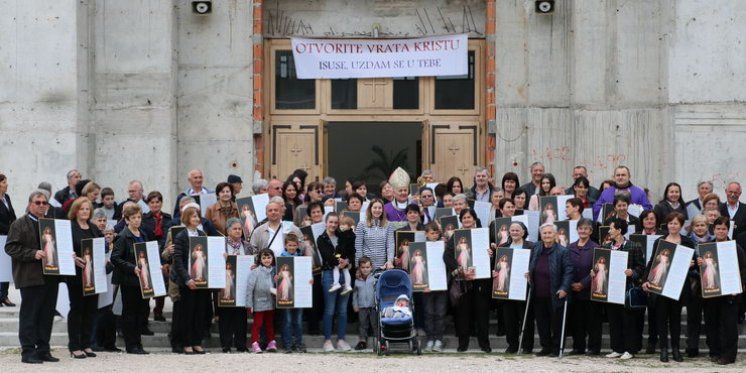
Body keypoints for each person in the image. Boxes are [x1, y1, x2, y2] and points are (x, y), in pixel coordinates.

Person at [5, 190, 60, 364]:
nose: (42, 205)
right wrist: (32, 253)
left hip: (51, 275)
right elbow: (10, 248)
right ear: (30, 204)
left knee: (46, 315)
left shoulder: (51, 224)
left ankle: (43, 349)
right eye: (38, 202)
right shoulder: (19, 224)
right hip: (30, 277)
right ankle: (28, 351)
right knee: (30, 315)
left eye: (45, 203)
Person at [642, 212, 696, 362]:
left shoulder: (687, 242)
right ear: (667, 224)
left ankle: (676, 349)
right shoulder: (660, 241)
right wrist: (645, 280)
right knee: (661, 318)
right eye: (670, 223)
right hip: (660, 284)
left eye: (676, 223)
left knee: (675, 319)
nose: (673, 226)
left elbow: (693, 265)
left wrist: (692, 265)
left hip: (678, 285)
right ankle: (664, 349)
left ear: (681, 225)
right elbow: (652, 261)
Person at [444, 208, 492, 352]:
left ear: (474, 219)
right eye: (464, 218)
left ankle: (485, 344)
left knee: (482, 314)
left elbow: (491, 255)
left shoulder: (483, 235)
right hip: (463, 281)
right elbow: (447, 256)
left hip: (481, 280)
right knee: (463, 314)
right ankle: (462, 344)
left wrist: (491, 253)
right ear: (461, 220)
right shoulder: (455, 236)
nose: (467, 220)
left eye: (469, 217)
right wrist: (458, 269)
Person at [701, 217, 746, 365]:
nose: (721, 231)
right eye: (718, 228)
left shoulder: (736, 248)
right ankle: (715, 352)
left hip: (730, 294)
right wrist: (700, 263)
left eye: (724, 229)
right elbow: (701, 270)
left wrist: (738, 288)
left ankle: (728, 355)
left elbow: (743, 270)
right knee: (712, 323)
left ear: (728, 230)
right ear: (713, 230)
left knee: (729, 325)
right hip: (712, 292)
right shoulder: (707, 247)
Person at [599, 218, 645, 360]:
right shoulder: (606, 247)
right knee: (614, 320)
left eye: (611, 228)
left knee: (628, 320)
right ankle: (617, 348)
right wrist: (596, 271)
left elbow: (641, 267)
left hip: (626, 288)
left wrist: (633, 272)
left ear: (619, 230)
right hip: (612, 289)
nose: (609, 231)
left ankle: (630, 349)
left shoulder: (633, 246)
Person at [528, 223, 573, 357]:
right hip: (538, 293)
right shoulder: (536, 248)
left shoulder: (563, 251)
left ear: (555, 234)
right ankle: (545, 347)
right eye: (544, 233)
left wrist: (564, 288)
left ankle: (556, 348)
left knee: (557, 323)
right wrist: (528, 273)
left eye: (549, 233)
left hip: (556, 293)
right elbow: (530, 264)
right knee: (542, 323)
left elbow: (569, 271)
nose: (547, 235)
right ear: (541, 235)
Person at [110, 204, 150, 355]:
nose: (137, 220)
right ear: (126, 220)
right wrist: (131, 267)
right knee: (130, 313)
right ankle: (131, 344)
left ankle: (138, 343)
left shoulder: (143, 234)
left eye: (139, 217)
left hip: (143, 280)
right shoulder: (123, 236)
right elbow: (115, 258)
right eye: (133, 218)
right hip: (129, 280)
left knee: (141, 312)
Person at [171, 206, 211, 354]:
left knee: (199, 312)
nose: (196, 219)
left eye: (197, 216)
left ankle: (196, 341)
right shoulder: (181, 236)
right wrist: (187, 279)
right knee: (187, 313)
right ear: (187, 218)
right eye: (193, 216)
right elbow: (178, 261)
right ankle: (186, 342)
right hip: (186, 282)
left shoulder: (202, 234)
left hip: (201, 279)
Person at [67, 197, 102, 359]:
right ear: (75, 210)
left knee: (91, 310)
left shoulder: (94, 228)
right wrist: (73, 258)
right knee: (77, 309)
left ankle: (86, 344)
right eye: (82, 209)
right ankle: (74, 346)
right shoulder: (69, 227)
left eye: (87, 209)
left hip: (93, 276)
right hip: (76, 275)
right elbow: (64, 250)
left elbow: (100, 248)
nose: (85, 212)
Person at [494, 222, 535, 353]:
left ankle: (527, 346)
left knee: (526, 318)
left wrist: (532, 273)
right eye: (512, 230)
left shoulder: (531, 246)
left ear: (523, 232)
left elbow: (536, 264)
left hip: (524, 287)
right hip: (507, 287)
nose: (515, 232)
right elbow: (497, 266)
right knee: (509, 318)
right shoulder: (503, 247)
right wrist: (495, 272)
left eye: (518, 230)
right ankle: (512, 345)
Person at [317, 213, 355, 352]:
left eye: (335, 222)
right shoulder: (322, 239)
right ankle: (327, 340)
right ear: (326, 223)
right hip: (329, 274)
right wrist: (340, 262)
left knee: (343, 310)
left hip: (344, 273)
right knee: (330, 308)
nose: (333, 225)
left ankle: (341, 339)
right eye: (330, 222)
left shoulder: (343, 235)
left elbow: (350, 252)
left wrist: (348, 261)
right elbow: (327, 256)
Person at [567, 218, 601, 356]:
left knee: (593, 321)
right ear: (577, 230)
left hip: (590, 291)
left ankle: (594, 347)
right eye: (581, 228)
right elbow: (566, 267)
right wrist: (571, 283)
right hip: (573, 291)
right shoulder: (570, 247)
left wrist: (583, 283)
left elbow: (597, 269)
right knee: (577, 321)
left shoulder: (596, 247)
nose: (583, 231)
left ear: (591, 231)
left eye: (586, 228)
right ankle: (578, 347)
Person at [140, 191, 173, 322]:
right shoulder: (143, 219)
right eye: (152, 202)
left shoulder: (168, 218)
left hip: (164, 255)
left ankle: (158, 311)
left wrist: (167, 261)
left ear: (161, 203)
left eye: (157, 202)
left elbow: (170, 239)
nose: (155, 205)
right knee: (148, 286)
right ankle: (145, 313)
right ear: (148, 204)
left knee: (162, 286)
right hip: (150, 254)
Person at [218, 218, 249, 353]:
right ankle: (226, 344)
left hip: (242, 284)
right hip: (225, 283)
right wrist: (220, 258)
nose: (238, 231)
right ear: (228, 230)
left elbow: (253, 261)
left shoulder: (247, 246)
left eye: (239, 229)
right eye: (235, 229)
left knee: (241, 315)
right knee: (226, 314)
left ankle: (241, 344)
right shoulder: (220, 245)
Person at [685, 214, 713, 358]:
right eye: (697, 225)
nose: (700, 228)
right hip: (693, 285)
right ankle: (692, 347)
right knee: (693, 318)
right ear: (693, 227)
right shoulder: (687, 242)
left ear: (707, 226)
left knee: (711, 318)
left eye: (703, 225)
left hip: (711, 284)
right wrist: (692, 266)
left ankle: (713, 347)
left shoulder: (714, 241)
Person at [279, 233, 310, 353]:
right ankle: (287, 344)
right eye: (289, 245)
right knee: (287, 320)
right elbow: (277, 275)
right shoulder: (281, 258)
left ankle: (298, 343)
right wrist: (276, 277)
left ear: (297, 245)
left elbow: (306, 275)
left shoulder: (302, 258)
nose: (292, 247)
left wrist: (309, 280)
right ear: (285, 246)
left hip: (300, 293)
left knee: (298, 320)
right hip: (286, 291)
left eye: (294, 245)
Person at [246, 249, 278, 353]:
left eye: (269, 257)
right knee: (257, 324)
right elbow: (249, 288)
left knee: (269, 323)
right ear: (260, 259)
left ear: (272, 258)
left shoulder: (275, 271)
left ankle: (271, 342)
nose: (267, 260)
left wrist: (278, 281)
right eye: (264, 258)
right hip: (258, 302)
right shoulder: (255, 271)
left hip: (270, 302)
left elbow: (279, 286)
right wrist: (249, 304)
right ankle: (255, 342)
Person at [355, 199, 395, 270]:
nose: (377, 210)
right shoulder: (361, 224)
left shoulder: (389, 225)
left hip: (382, 265)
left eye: (380, 208)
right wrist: (358, 266)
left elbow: (390, 245)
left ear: (383, 210)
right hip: (366, 266)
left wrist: (390, 261)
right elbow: (358, 247)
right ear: (370, 209)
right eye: (375, 207)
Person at [352, 256, 377, 351]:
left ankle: (377, 342)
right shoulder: (357, 280)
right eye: (363, 267)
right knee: (362, 325)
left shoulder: (374, 279)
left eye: (367, 267)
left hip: (373, 306)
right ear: (359, 268)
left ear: (371, 267)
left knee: (375, 324)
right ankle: (362, 341)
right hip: (362, 306)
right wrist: (355, 305)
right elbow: (355, 294)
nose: (365, 269)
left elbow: (377, 292)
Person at [0, 173, 17, 307]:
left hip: (7, 237)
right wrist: (9, 229)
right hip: (0, 235)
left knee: (5, 267)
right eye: (4, 182)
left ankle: (3, 296)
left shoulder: (7, 197)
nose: (7, 184)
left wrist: (16, 227)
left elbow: (12, 215)